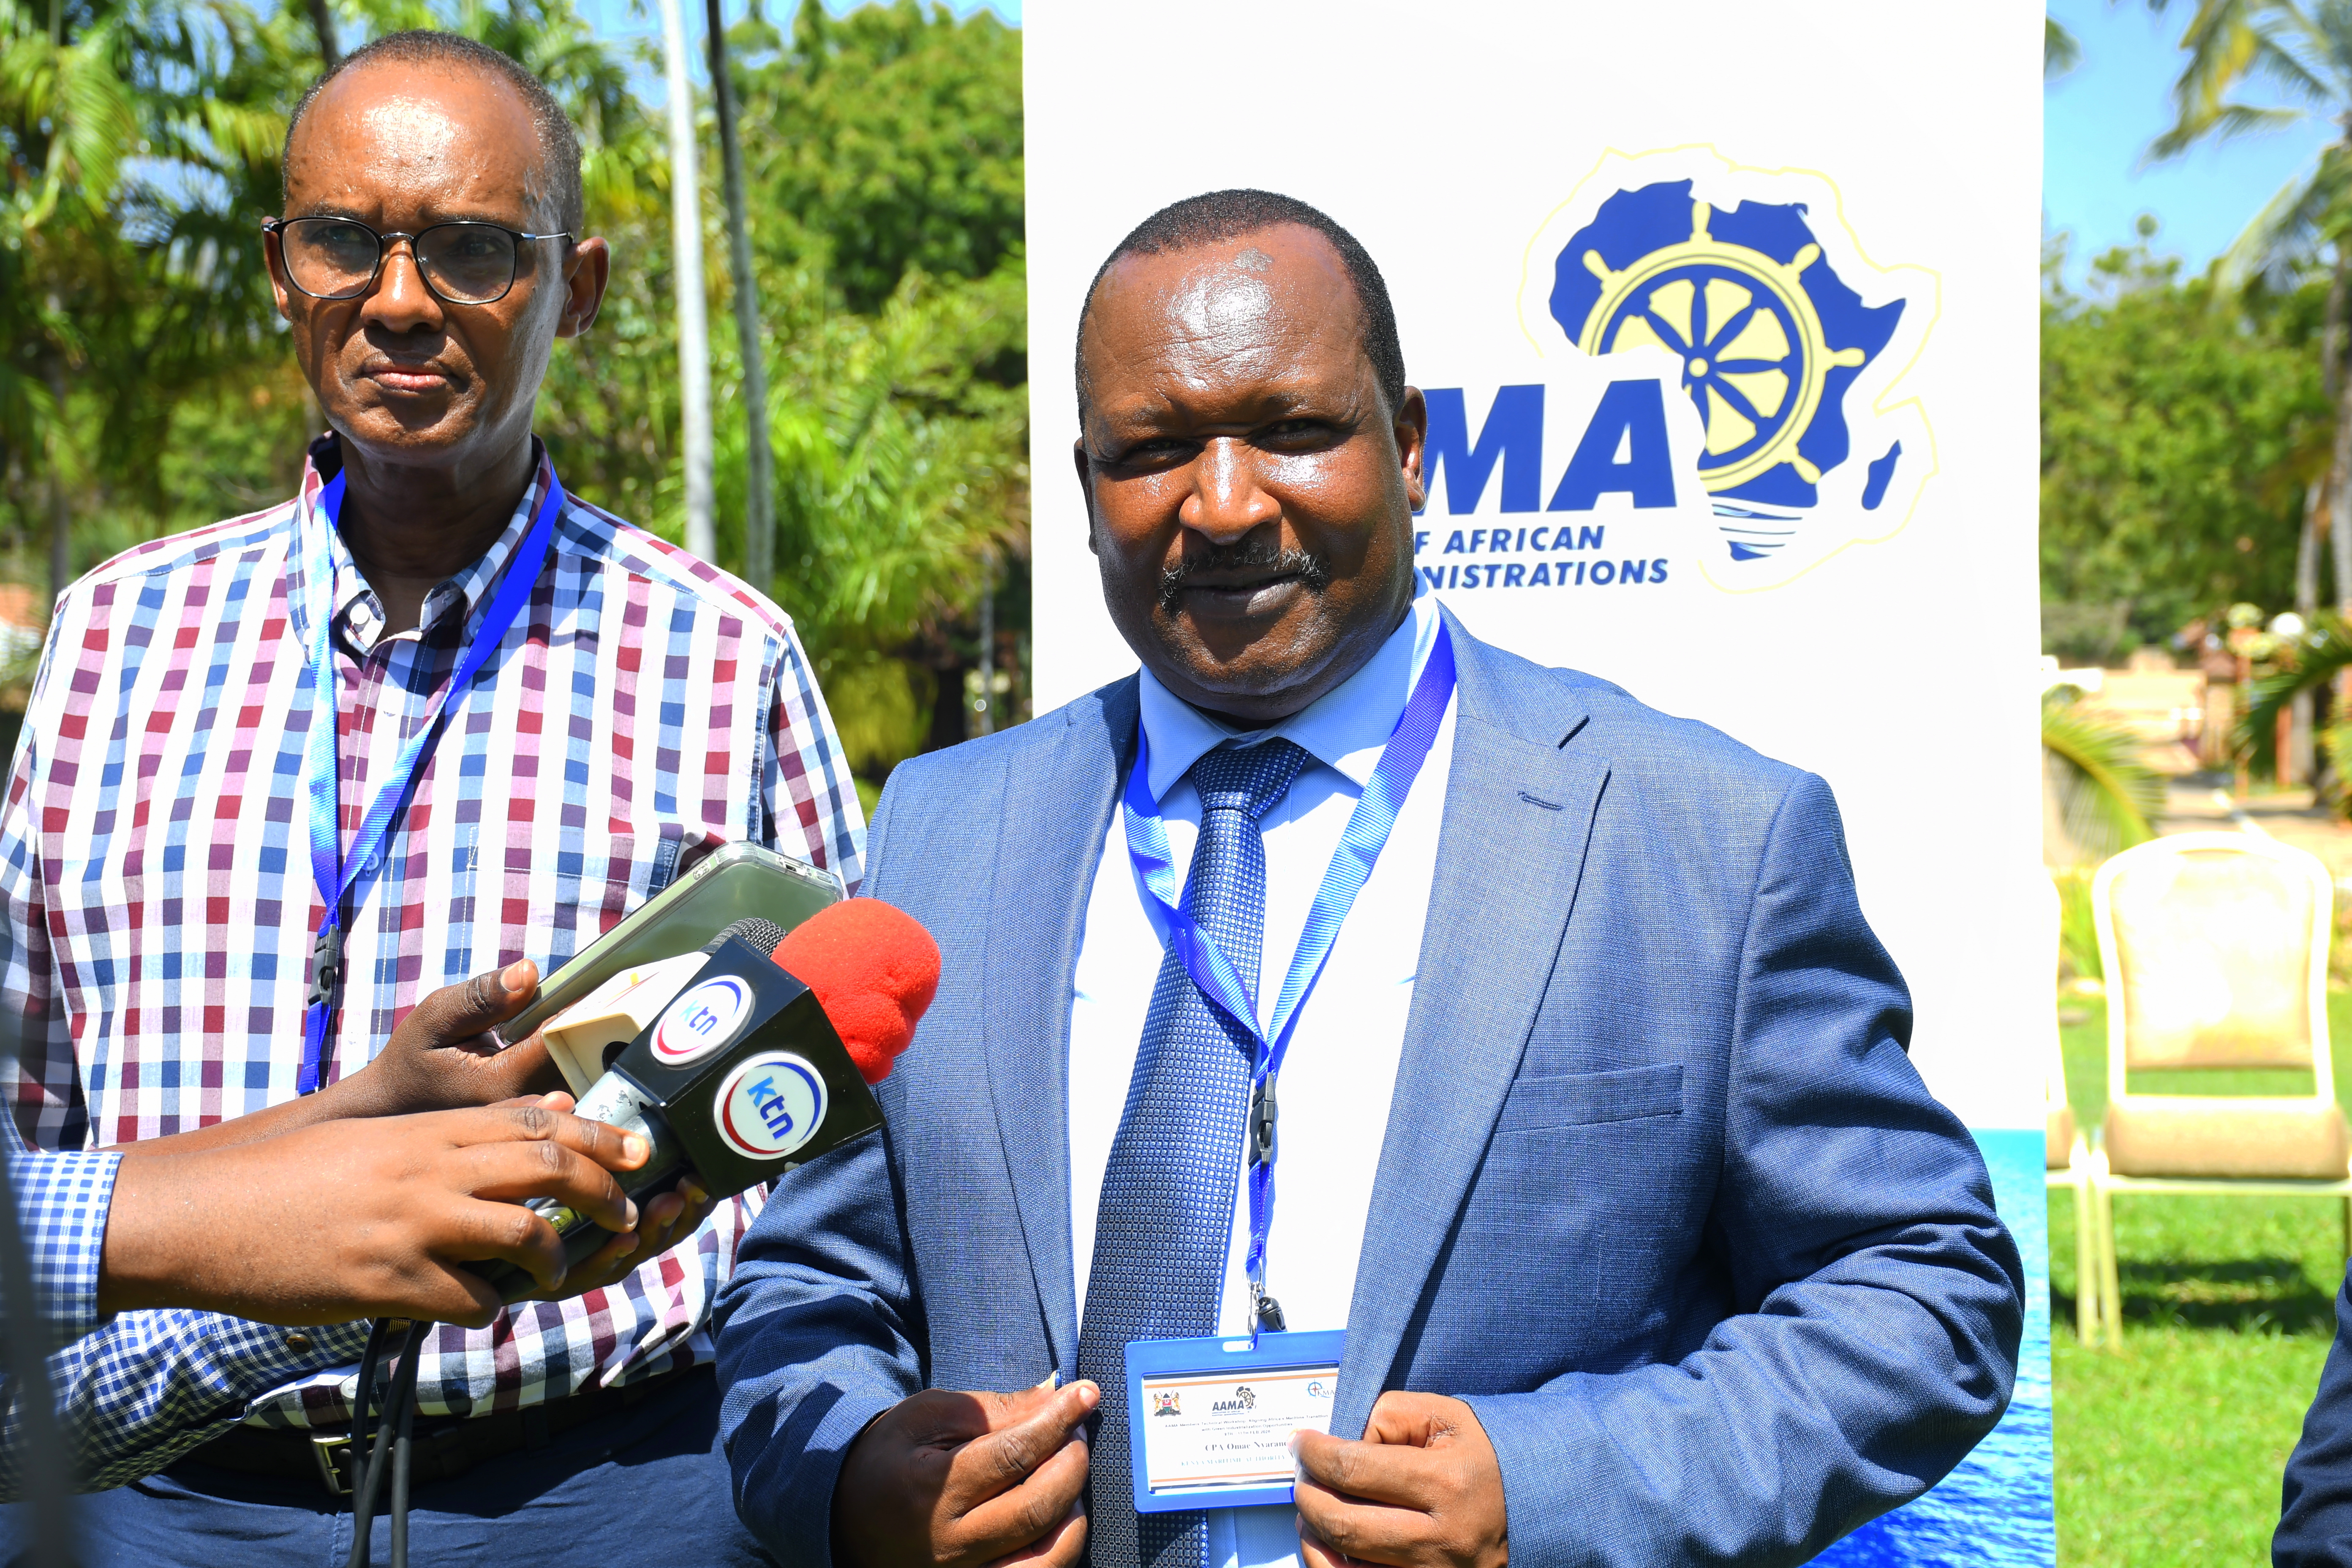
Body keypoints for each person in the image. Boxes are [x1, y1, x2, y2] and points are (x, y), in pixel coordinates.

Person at [714, 190, 2025, 1568]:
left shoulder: (1702, 835)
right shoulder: (945, 829)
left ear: (1407, 447)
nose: (1224, 506)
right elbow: (811, 1282)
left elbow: (1924, 1292)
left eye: (1291, 430)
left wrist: (1550, 1490)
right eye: (1153, 451)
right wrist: (851, 1477)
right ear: (1089, 483)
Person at [0, 27, 857, 1565]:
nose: (399, 300)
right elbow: (26, 1112)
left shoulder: (725, 656)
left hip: (604, 1497)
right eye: (345, 241)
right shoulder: (116, 636)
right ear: (283, 273)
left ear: (574, 291)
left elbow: (836, 1153)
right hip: (155, 1504)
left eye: (471, 249)